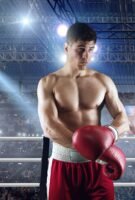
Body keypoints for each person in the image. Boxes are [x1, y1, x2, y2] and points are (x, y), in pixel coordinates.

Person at [37, 22, 129, 200]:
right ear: (66, 47)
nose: (86, 55)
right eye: (80, 49)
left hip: (97, 168)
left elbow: (123, 119)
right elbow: (49, 126)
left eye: (91, 49)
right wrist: (92, 149)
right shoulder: (48, 83)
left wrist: (111, 133)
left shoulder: (103, 81)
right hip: (64, 165)